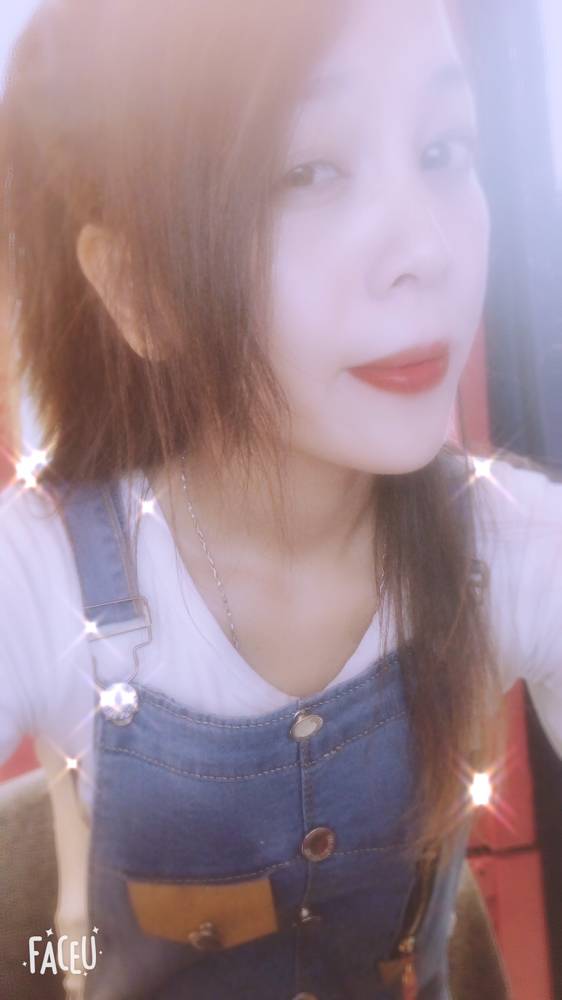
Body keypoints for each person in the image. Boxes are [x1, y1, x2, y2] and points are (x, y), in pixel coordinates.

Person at [0, 0, 560, 997]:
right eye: (310, 171)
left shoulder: (511, 547)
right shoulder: (42, 580)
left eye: (443, 149)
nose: (427, 251)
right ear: (140, 291)